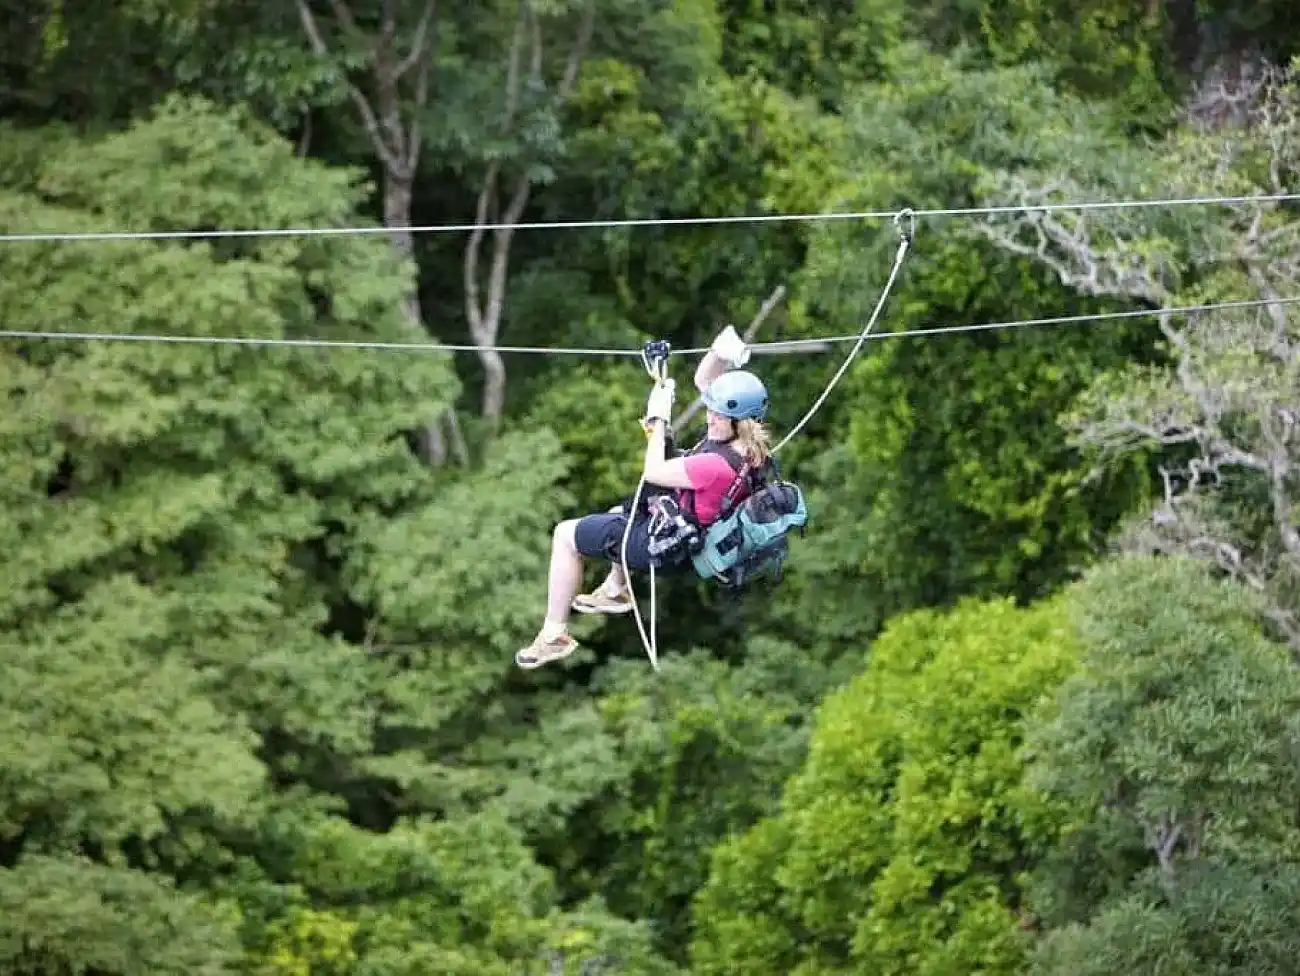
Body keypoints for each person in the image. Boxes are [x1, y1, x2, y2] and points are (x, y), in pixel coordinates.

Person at [515, 325, 771, 669]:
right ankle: (615, 589)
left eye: (717, 415)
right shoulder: (750, 448)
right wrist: (718, 353)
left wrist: (658, 417)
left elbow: (653, 470)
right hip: (680, 533)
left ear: (739, 421)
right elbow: (704, 382)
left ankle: (553, 634)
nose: (709, 418)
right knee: (615, 512)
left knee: (565, 535)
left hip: (661, 546)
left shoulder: (713, 465)